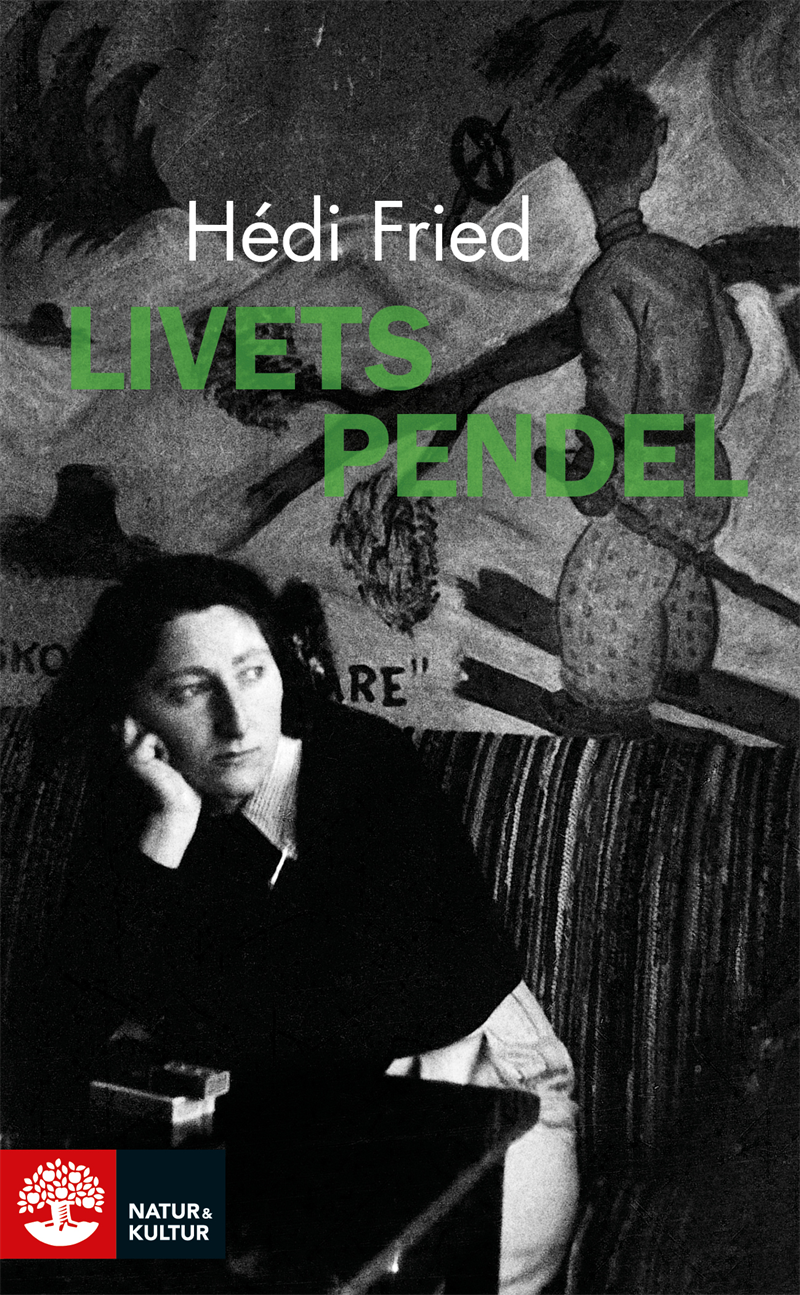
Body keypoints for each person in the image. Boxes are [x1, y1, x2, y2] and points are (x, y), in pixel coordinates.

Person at [5, 554, 578, 1295]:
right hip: (271, 1143)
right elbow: (55, 1041)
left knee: (286, 1258)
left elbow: (415, 1003)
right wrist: (168, 829)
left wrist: (203, 1028)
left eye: (252, 673)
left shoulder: (365, 765)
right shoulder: (145, 798)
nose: (237, 721)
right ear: (132, 712)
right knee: (29, 1211)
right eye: (190, 690)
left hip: (474, 1110)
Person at [539, 78, 752, 735]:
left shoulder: (605, 285)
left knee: (596, 588)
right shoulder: (687, 266)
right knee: (674, 559)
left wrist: (596, 471)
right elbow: (737, 349)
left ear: (581, 176)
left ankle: (604, 702)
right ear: (648, 167)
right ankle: (682, 663)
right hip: (704, 465)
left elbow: (614, 394)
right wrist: (702, 430)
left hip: (649, 476)